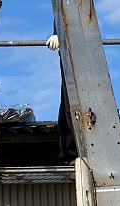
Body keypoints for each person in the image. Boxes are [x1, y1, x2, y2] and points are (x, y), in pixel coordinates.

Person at [46, 29, 78, 165]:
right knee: (67, 106)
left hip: (78, 53)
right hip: (67, 54)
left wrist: (64, 35)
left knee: (73, 105)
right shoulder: (58, 9)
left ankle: (75, 153)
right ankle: (70, 154)